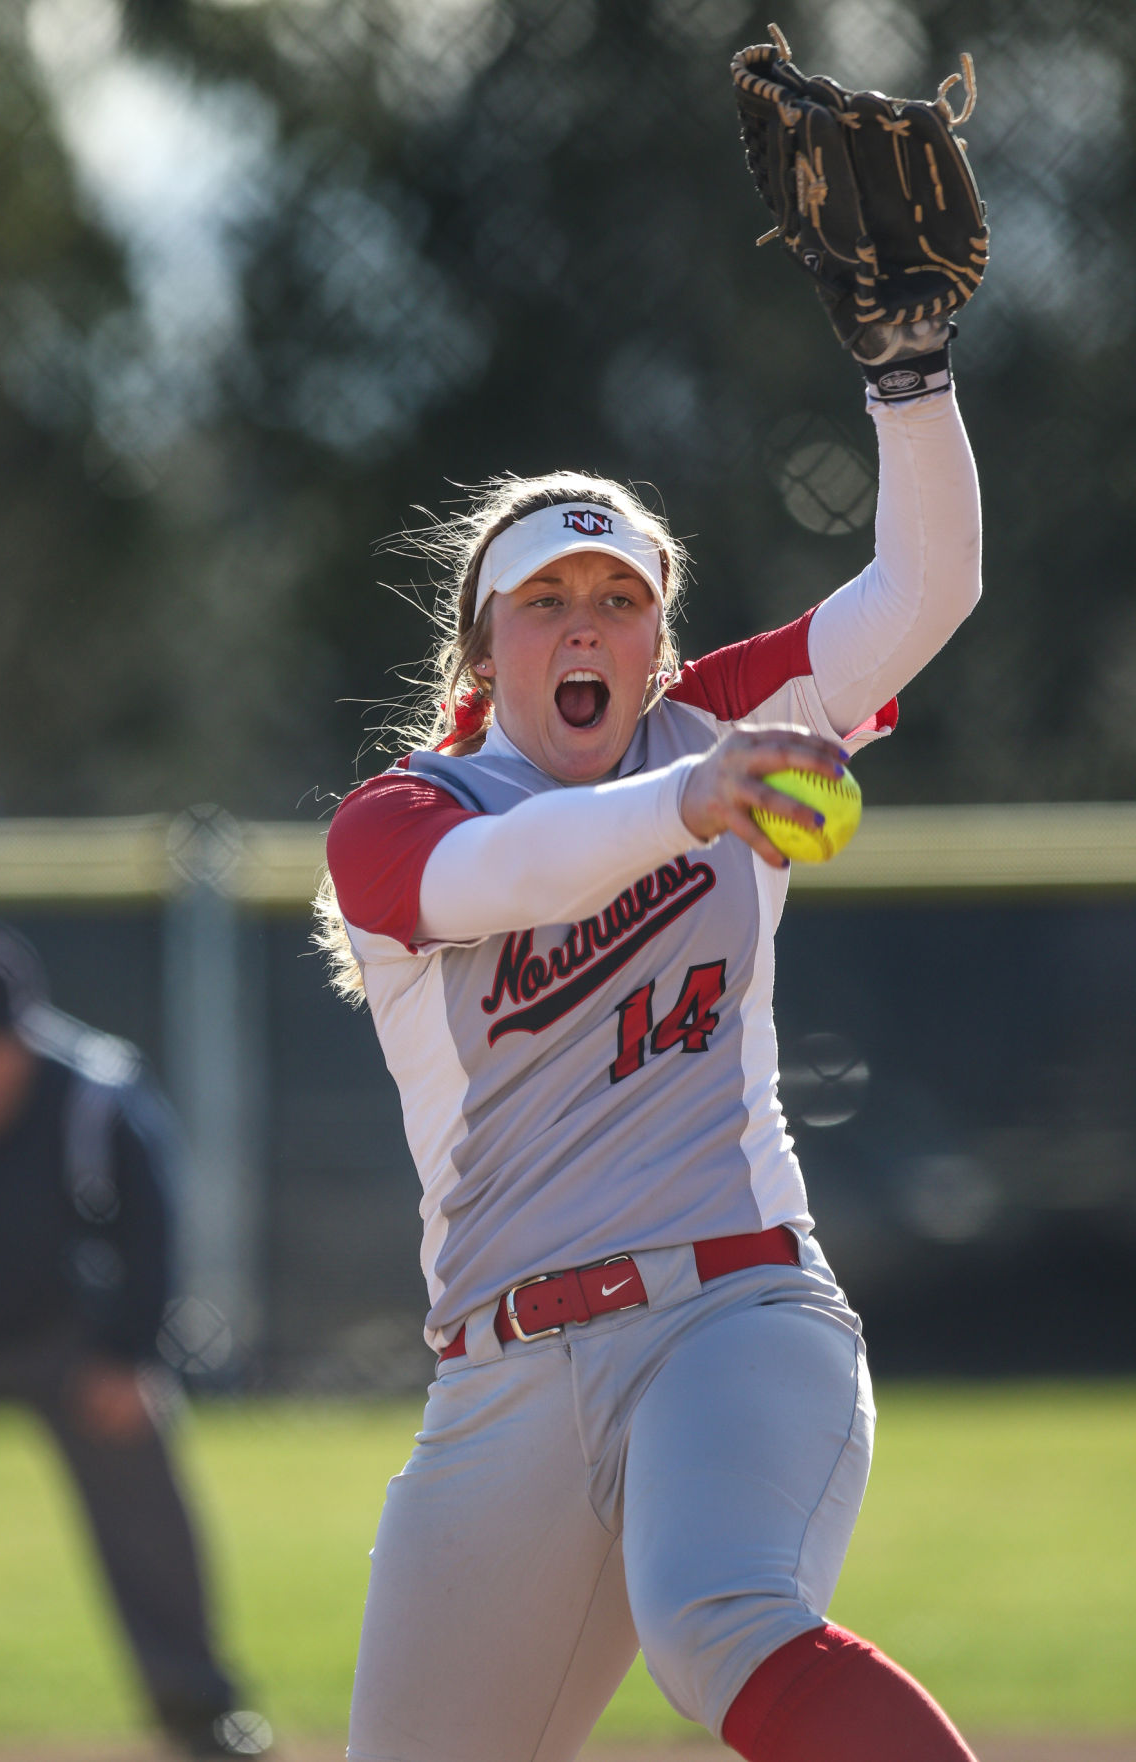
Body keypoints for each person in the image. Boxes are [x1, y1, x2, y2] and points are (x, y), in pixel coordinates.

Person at [315, 239, 983, 1752]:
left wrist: (907, 372)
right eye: (542, 597)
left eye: (616, 598)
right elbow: (502, 878)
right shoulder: (402, 816)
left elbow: (926, 587)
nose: (581, 624)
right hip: (499, 1383)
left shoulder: (717, 725)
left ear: (654, 642)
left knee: (718, 1615)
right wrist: (692, 799)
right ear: (483, 649)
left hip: (728, 1310)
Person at [0, 921, 272, 1760]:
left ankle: (196, 1706)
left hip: (67, 1331)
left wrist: (131, 1355)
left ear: (30, 1033)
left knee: (138, 1456)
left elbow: (152, 1227)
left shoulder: (94, 1089)